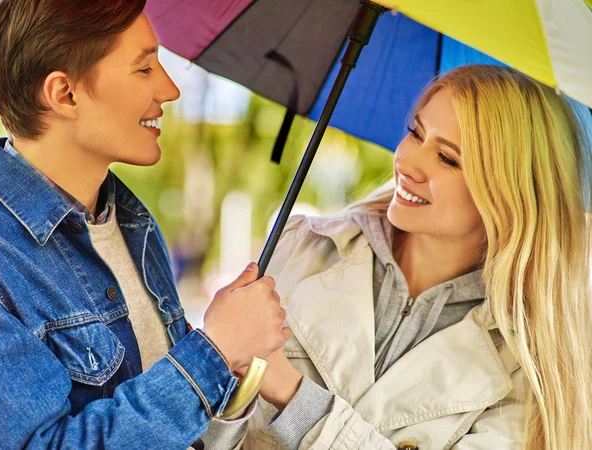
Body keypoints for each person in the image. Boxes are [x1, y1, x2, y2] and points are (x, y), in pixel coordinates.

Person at [203, 65, 592, 450]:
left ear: (511, 197)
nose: (406, 163)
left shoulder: (529, 368)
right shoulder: (302, 246)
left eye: (447, 158)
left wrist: (291, 393)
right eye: (415, 133)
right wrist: (220, 372)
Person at [0, 1, 291, 448]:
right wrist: (214, 352)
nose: (169, 89)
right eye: (144, 68)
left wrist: (230, 370)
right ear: (64, 94)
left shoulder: (133, 225)